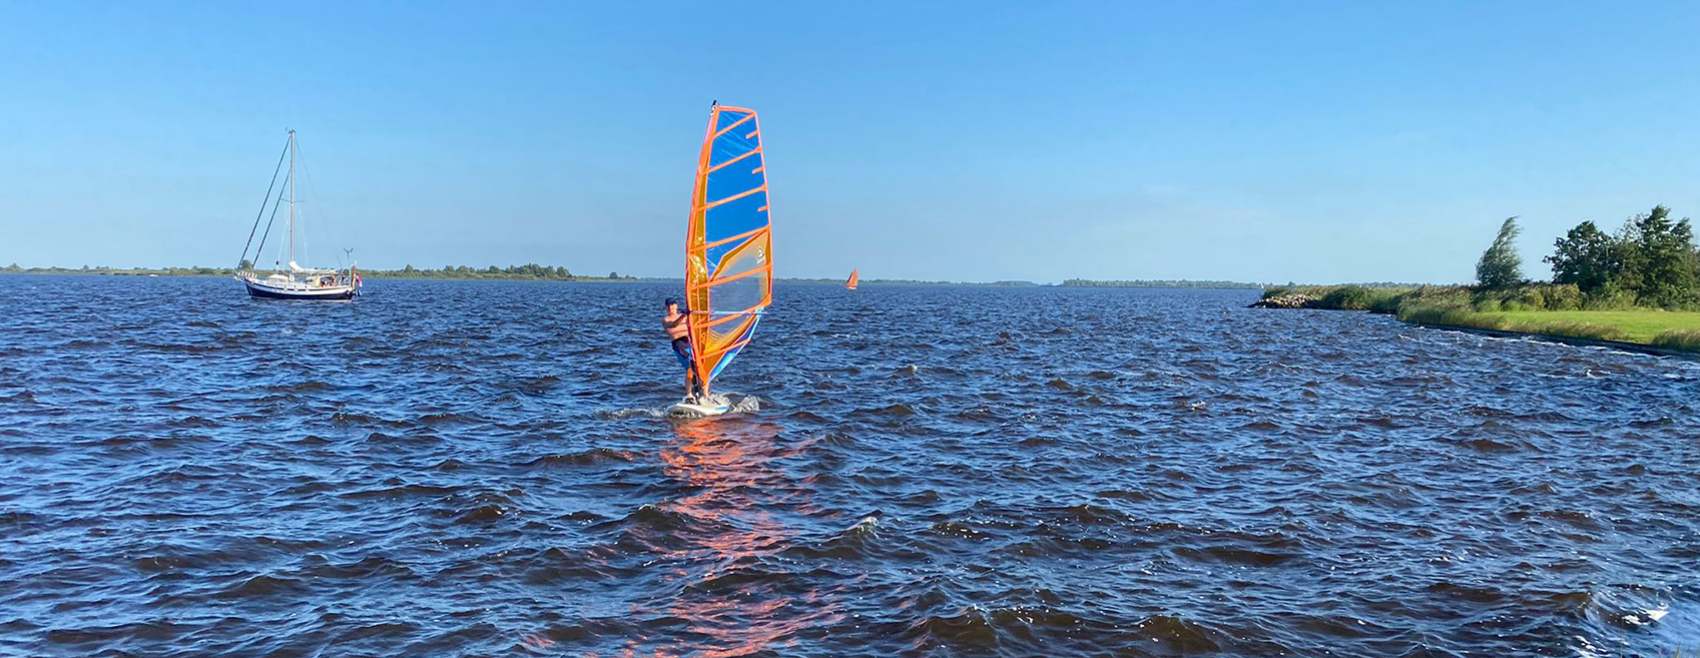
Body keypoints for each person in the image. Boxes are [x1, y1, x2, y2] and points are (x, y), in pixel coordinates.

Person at [663, 298, 704, 400]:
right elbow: (674, 325)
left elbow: (697, 323)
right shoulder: (665, 320)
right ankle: (689, 394)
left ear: (676, 306)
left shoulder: (686, 316)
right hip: (679, 344)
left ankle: (704, 394)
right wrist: (684, 315)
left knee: (700, 368)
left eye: (672, 305)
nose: (671, 307)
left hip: (690, 342)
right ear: (666, 308)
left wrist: (693, 313)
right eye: (668, 306)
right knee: (689, 368)